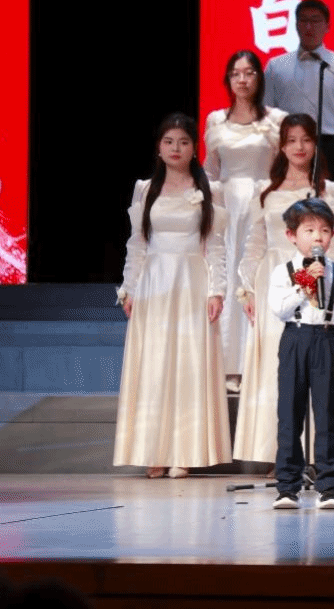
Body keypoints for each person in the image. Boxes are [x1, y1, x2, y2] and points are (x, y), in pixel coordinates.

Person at [115, 113, 229, 478]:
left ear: (195, 148)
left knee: (189, 364)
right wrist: (129, 288)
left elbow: (216, 246)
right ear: (159, 148)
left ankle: (185, 451)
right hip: (155, 285)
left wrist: (217, 290)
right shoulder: (145, 188)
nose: (176, 148)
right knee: (155, 365)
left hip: (192, 282)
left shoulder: (210, 189)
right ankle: (155, 451)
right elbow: (137, 244)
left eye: (183, 142)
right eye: (169, 142)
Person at [233, 114, 334, 465]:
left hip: (317, 282)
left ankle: (318, 457)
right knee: (278, 368)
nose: (299, 147)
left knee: (318, 367)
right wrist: (247, 289)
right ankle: (280, 456)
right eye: (292, 140)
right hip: (275, 282)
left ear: (315, 144)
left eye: (306, 139)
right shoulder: (266, 191)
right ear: (281, 146)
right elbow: (255, 243)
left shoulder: (329, 191)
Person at [267, 198, 334, 511]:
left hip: (327, 339)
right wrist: (304, 286)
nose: (317, 237)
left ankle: (329, 487)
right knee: (289, 415)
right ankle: (287, 487)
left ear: (332, 235)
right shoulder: (283, 272)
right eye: (309, 230)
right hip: (295, 338)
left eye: (324, 230)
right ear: (292, 235)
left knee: (327, 417)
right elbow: (279, 309)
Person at [204, 50, 286, 392]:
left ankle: (260, 360)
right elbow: (210, 171)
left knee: (257, 276)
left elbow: (285, 165)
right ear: (228, 79)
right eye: (236, 73)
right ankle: (229, 365)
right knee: (227, 275)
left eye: (249, 72)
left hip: (263, 204)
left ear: (259, 78)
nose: (242, 79)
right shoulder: (215, 121)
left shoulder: (276, 120)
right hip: (227, 207)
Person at [264, 0, 334, 186]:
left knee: (327, 202)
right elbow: (266, 117)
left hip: (329, 148)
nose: (309, 26)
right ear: (296, 25)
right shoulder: (276, 66)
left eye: (315, 20)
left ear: (327, 26)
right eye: (304, 20)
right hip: (287, 147)